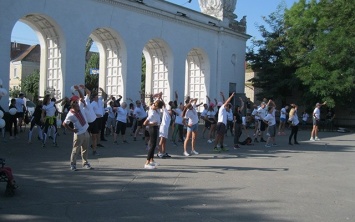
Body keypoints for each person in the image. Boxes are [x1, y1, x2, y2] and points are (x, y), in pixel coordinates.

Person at [62, 96, 92, 171]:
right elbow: (64, 123)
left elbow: (81, 97)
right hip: (78, 133)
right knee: (76, 149)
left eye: (78, 105)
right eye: (77, 106)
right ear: (73, 107)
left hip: (85, 131)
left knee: (85, 148)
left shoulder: (80, 108)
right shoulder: (70, 114)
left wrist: (79, 90)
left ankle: (85, 163)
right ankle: (73, 164)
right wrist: (72, 130)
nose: (78, 107)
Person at [143, 93, 164, 169]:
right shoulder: (151, 113)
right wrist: (152, 123)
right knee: (152, 145)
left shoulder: (155, 107)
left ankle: (151, 160)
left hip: (155, 127)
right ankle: (147, 162)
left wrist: (158, 95)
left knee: (154, 145)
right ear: (156, 106)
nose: (159, 109)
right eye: (158, 107)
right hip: (152, 128)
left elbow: (160, 98)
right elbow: (145, 123)